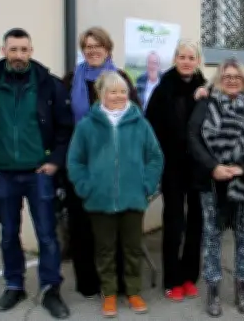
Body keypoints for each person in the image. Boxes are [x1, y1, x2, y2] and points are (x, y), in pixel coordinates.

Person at [0, 28, 72, 319]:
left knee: (46, 235)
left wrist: (55, 161)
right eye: (13, 49)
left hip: (39, 173)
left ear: (31, 51)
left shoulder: (49, 85)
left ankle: (50, 289)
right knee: (8, 234)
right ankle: (14, 284)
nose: (19, 55)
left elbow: (65, 128)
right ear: (3, 50)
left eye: (24, 50)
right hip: (3, 173)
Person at [67, 71, 164, 317]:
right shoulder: (87, 125)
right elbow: (75, 161)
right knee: (104, 250)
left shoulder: (140, 122)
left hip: (133, 199)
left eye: (123, 91)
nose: (119, 96)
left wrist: (146, 186)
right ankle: (108, 293)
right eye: (113, 91)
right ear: (101, 94)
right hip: (99, 200)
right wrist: (86, 187)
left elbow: (155, 157)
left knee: (132, 249)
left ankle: (133, 291)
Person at [187, 58, 244, 318]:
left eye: (237, 76)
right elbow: (193, 136)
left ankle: (241, 291)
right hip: (212, 182)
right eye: (227, 76)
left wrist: (243, 168)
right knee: (212, 239)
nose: (232, 80)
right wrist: (213, 166)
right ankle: (213, 293)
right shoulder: (206, 103)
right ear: (218, 80)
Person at [61, 27, 141, 299]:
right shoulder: (71, 79)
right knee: (82, 225)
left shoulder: (121, 79)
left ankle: (116, 282)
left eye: (98, 46)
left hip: (116, 165)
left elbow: (136, 118)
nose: (93, 50)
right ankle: (88, 281)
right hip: (82, 163)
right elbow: (61, 121)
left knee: (113, 226)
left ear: (108, 49)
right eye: (88, 46)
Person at [144, 40, 207, 302]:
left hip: (200, 166)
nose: (186, 61)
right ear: (175, 59)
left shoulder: (206, 89)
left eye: (191, 57)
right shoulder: (163, 89)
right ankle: (172, 279)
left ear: (197, 61)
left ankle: (190, 276)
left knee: (197, 221)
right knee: (173, 222)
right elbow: (151, 129)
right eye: (181, 56)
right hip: (172, 166)